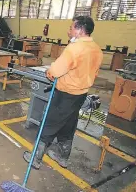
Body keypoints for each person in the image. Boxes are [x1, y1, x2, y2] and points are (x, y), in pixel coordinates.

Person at [23, 16, 103, 169]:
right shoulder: (96, 49)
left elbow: (55, 71)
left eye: (71, 27)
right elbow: (94, 72)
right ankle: (62, 157)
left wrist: (50, 73)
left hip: (65, 95)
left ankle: (35, 159)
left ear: (79, 30)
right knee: (68, 126)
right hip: (80, 95)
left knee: (48, 125)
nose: (69, 30)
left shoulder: (75, 48)